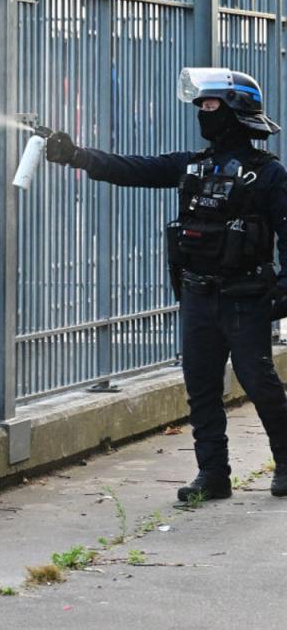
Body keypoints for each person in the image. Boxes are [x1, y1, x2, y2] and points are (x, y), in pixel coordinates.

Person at [44, 68, 287, 500]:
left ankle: (286, 464)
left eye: (210, 105)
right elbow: (134, 168)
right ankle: (213, 475)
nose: (202, 113)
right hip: (197, 293)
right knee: (201, 388)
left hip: (244, 297)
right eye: (201, 106)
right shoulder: (191, 166)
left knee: (260, 382)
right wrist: (76, 155)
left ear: (234, 111)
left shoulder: (266, 173)